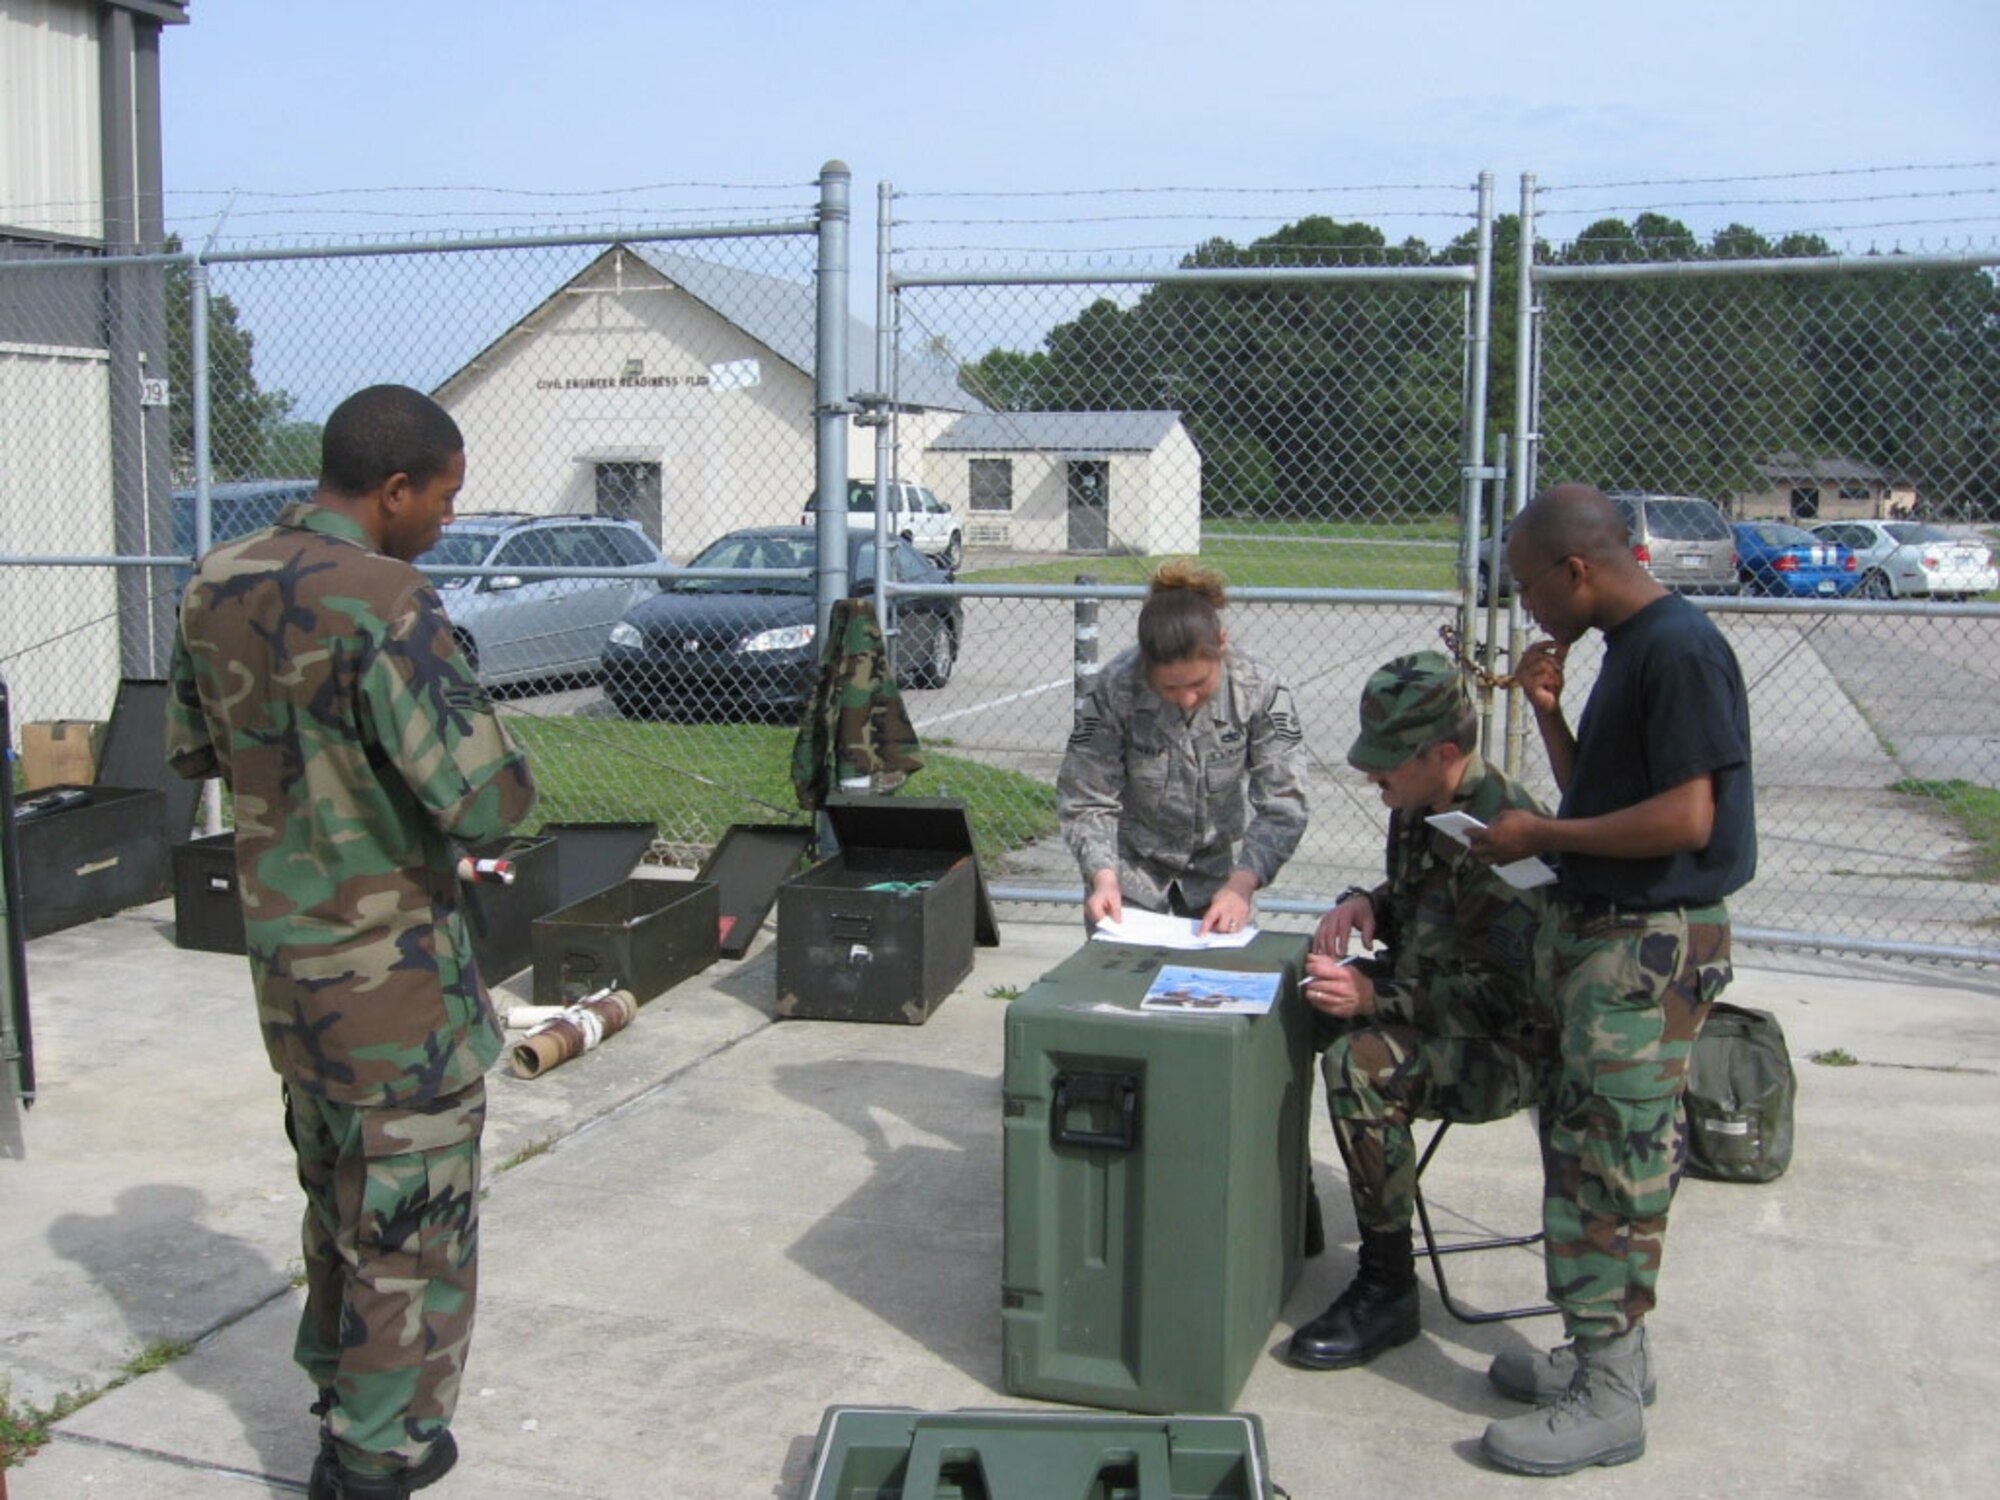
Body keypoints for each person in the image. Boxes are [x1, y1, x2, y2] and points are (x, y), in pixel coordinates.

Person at [167, 385, 538, 1500]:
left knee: (338, 1211)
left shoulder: (215, 580)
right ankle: (379, 1456)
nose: (447, 518)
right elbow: (489, 802)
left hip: (291, 982)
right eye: (443, 496)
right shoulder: (388, 599)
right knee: (410, 1236)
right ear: (392, 489)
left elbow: (197, 751)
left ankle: (345, 1413)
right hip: (396, 997)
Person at [1469, 482, 1755, 1477]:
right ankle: (1614, 1361)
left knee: (1607, 1164)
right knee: (1600, 1146)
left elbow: (1684, 821)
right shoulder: (1633, 649)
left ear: (1576, 569)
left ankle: (1605, 1392)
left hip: (1649, 947)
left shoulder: (1676, 651)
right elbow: (1614, 798)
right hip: (1617, 935)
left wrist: (1536, 834)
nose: (1528, 611)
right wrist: (1548, 718)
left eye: (1527, 589)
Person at [1285, 651, 1553, 1372]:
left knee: (1360, 1065)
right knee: (1290, 1003)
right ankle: (1287, 1202)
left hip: (1510, 1048)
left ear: (1442, 754)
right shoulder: (1424, 804)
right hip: (1432, 1001)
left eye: (1388, 765)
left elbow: (1504, 999)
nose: (1375, 781)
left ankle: (1389, 1286)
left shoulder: (1509, 836)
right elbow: (1417, 902)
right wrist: (1369, 901)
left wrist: (1376, 998)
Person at [1056, 560, 1306, 935]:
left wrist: (1242, 886)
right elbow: (1086, 797)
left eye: (1199, 684)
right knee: (1117, 981)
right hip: (1130, 867)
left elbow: (1284, 803)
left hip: (1220, 872)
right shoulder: (1115, 687)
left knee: (1223, 984)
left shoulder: (1260, 689)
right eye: (1169, 688)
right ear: (1145, 663)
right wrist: (1102, 877)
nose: (1187, 699)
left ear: (1221, 643)